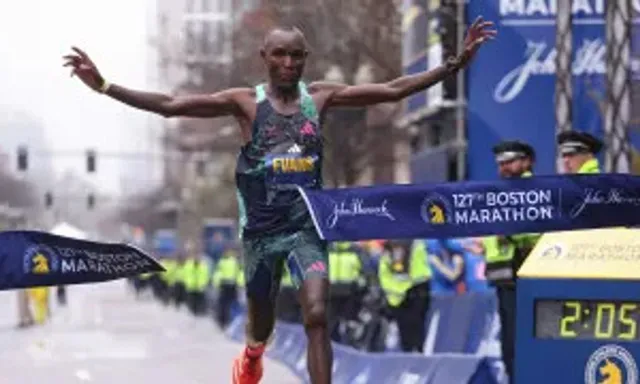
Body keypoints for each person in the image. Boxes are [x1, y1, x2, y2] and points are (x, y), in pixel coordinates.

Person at [63, 17, 495, 384]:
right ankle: (252, 354)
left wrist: (455, 62)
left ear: (305, 59)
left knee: (317, 316)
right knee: (262, 326)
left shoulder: (320, 97)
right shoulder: (245, 103)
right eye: (280, 55)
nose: (289, 64)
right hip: (262, 235)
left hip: (307, 228)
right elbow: (172, 105)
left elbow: (394, 90)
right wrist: (104, 84)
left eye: (297, 56)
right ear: (264, 57)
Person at [483, 140, 540, 384]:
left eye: (510, 161)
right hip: (502, 276)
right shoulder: (499, 191)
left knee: (522, 340)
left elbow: (537, 228)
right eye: (500, 163)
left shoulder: (533, 189)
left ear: (527, 161)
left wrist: (509, 232)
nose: (504, 167)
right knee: (508, 342)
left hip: (524, 273)